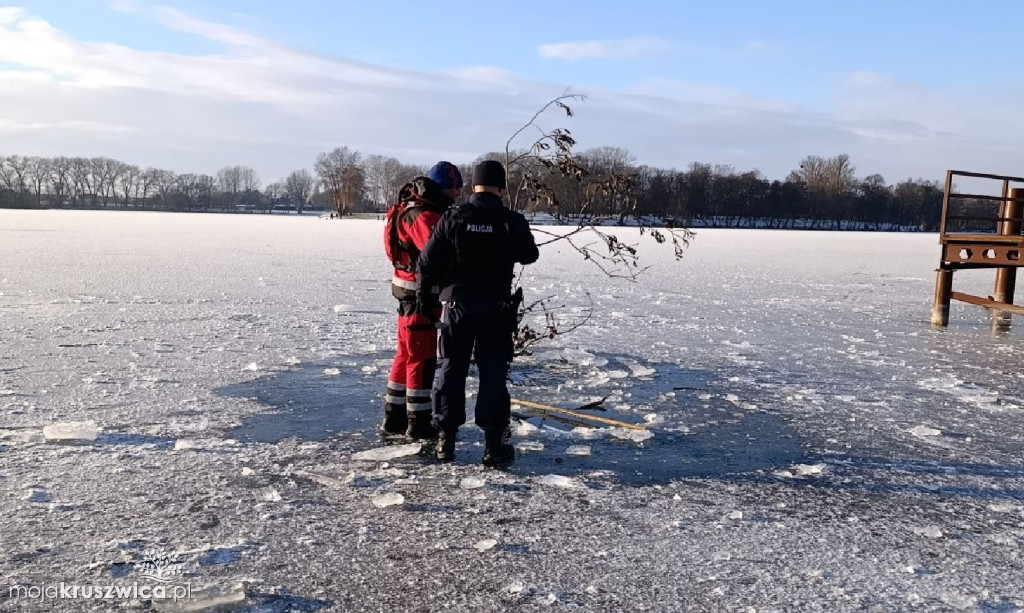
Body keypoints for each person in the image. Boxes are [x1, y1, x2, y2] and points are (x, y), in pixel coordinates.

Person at [416, 160, 539, 465]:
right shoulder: (510, 220)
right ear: (502, 186)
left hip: (457, 307)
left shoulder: (452, 217)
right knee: (493, 375)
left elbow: (427, 263)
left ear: (472, 186)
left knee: (450, 371)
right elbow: (530, 255)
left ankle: (445, 443)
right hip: (495, 309)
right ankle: (493, 447)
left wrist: (425, 298)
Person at [382, 161, 464, 439]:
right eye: (455, 189)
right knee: (421, 357)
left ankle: (394, 417)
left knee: (405, 353)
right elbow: (437, 252)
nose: (457, 195)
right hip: (420, 295)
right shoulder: (424, 216)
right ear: (445, 188)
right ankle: (418, 422)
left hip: (406, 290)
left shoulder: (406, 208)